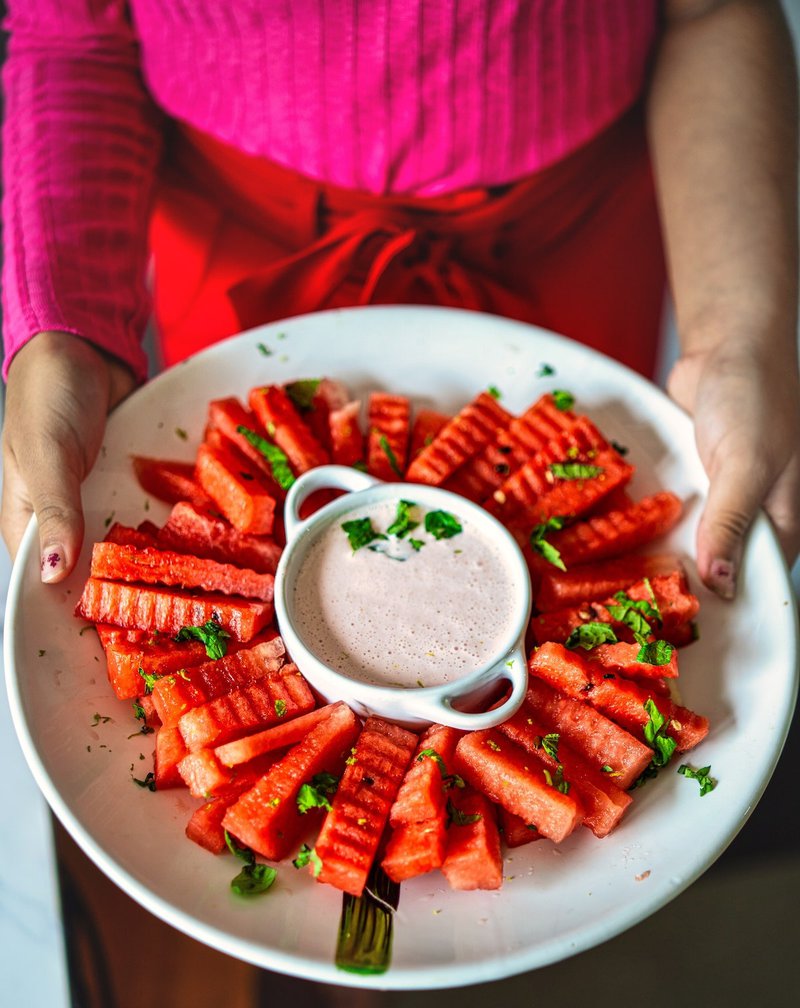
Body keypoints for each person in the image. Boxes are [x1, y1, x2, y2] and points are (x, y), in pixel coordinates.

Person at [2, 0, 799, 602]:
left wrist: (740, 336)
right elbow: (75, 33)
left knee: (581, 529)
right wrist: (62, 326)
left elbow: (712, 7)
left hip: (571, 241)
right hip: (245, 258)